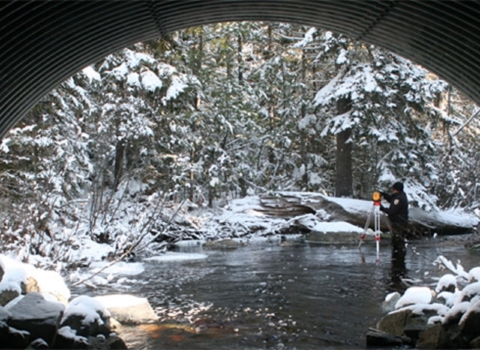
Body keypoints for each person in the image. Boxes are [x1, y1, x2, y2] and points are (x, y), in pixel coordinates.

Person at [379, 182, 409, 286]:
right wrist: (383, 194)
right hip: (400, 223)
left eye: (393, 189)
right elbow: (391, 199)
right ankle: (398, 260)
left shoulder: (399, 199)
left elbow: (392, 211)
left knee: (398, 241)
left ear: (396, 189)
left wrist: (382, 208)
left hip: (398, 223)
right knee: (398, 241)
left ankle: (398, 262)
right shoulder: (400, 196)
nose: (392, 190)